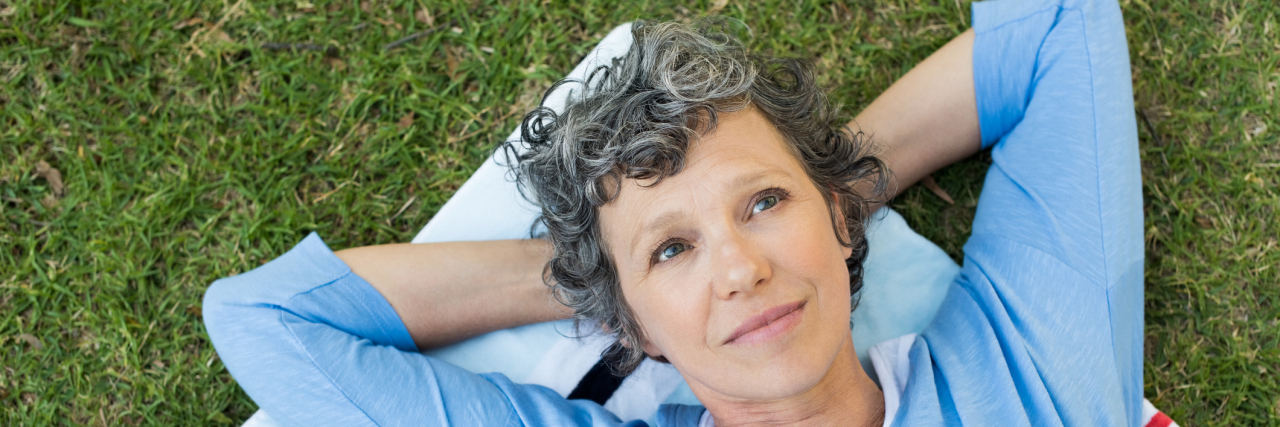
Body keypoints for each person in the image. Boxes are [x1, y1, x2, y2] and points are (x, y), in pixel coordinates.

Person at [203, 0, 1143, 425]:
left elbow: (1058, 23)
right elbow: (267, 318)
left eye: (764, 202)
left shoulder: (1031, 366)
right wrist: (600, 284)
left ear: (838, 217)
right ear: (634, 328)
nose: (740, 268)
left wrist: (835, 181)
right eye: (674, 250)